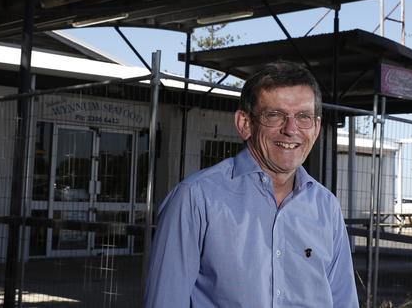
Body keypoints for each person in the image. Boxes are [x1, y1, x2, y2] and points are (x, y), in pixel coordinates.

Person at [145, 62, 359, 307]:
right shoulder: (195, 198)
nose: (291, 130)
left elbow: (344, 301)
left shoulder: (326, 207)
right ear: (245, 124)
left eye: (303, 117)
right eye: (274, 115)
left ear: (317, 127)